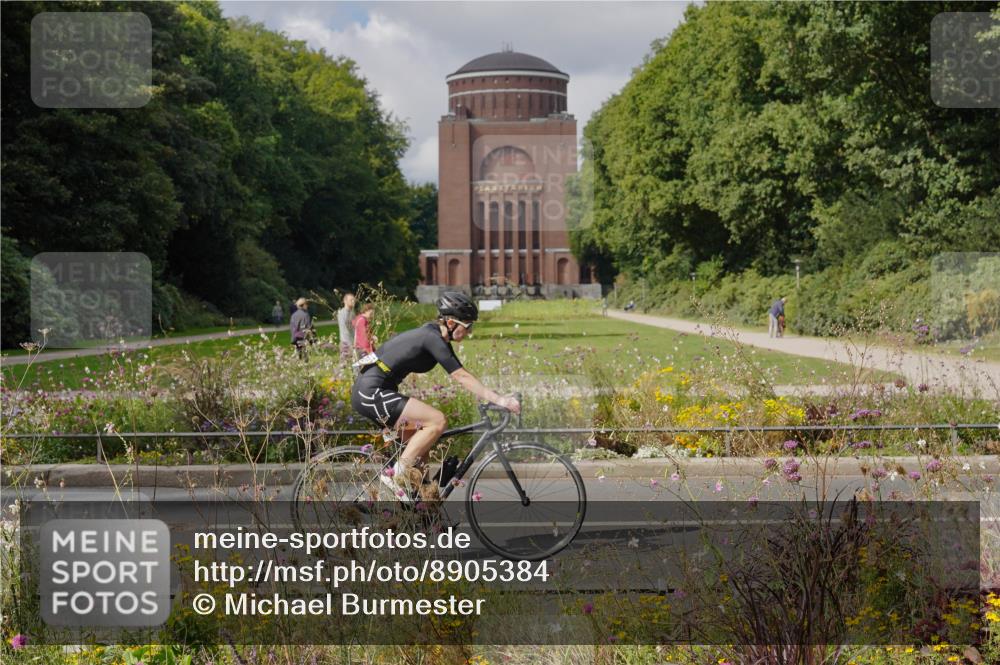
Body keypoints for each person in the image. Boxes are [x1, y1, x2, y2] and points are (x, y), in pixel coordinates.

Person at [349, 292, 519, 498]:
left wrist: (496, 396)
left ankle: (423, 516)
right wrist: (500, 400)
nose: (470, 332)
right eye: (467, 326)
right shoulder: (432, 338)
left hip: (377, 390)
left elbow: (461, 371)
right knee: (437, 421)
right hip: (371, 392)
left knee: (420, 457)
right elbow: (461, 376)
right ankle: (395, 475)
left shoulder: (436, 337)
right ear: (450, 322)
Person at [337, 293, 356, 360]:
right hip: (346, 343)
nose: (353, 301)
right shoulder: (342, 313)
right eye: (351, 300)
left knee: (356, 364)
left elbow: (354, 328)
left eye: (354, 300)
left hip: (353, 342)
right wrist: (351, 344)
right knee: (343, 365)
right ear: (345, 301)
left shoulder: (352, 312)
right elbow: (346, 330)